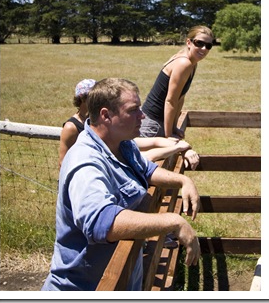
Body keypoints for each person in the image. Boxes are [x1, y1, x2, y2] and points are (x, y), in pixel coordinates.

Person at [42, 78, 200, 291]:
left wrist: (183, 180)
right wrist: (173, 221)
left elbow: (146, 169)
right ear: (106, 115)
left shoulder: (121, 143)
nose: (142, 116)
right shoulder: (86, 161)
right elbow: (101, 221)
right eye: (134, 110)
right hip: (86, 286)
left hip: (122, 275)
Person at [59, 80, 199, 170]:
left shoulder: (117, 137)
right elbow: (64, 163)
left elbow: (152, 145)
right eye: (87, 97)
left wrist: (182, 147)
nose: (142, 115)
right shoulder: (74, 129)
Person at [140, 25, 214, 139]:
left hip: (158, 122)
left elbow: (180, 98)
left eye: (208, 45)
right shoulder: (184, 63)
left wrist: (174, 127)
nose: (204, 48)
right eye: (199, 43)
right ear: (189, 42)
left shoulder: (192, 63)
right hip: (152, 124)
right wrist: (168, 136)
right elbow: (170, 101)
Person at [59, 78, 96, 168]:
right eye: (95, 97)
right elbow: (63, 163)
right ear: (83, 99)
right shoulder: (71, 127)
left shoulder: (97, 120)